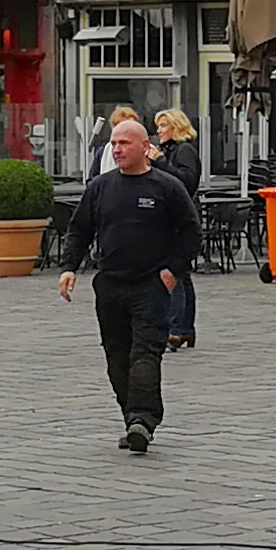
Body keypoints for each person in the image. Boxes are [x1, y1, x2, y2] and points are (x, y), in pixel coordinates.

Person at [57, 113, 196, 454]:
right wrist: (69, 267)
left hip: (151, 285)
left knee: (145, 354)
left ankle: (143, 420)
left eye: (124, 143)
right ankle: (130, 418)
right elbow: (79, 230)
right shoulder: (100, 187)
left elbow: (191, 231)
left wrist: (173, 271)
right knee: (116, 357)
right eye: (113, 143)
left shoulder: (167, 187)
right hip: (110, 285)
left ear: (145, 148)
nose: (116, 150)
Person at [152, 109, 207, 351]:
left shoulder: (184, 150)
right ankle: (186, 329)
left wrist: (159, 162)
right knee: (183, 275)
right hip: (169, 216)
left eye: (163, 126)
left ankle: (175, 329)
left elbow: (186, 181)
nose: (158, 131)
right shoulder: (168, 151)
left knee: (174, 271)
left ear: (176, 127)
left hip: (181, 217)